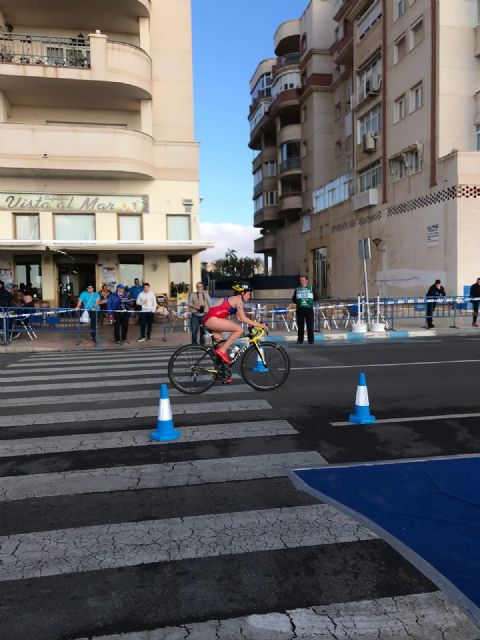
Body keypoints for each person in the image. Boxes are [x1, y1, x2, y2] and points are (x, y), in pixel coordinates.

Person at [202, 283, 267, 365]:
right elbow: (243, 318)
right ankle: (222, 351)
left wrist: (253, 323)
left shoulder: (234, 299)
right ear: (242, 293)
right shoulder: (238, 300)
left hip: (210, 319)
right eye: (249, 294)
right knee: (239, 329)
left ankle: (221, 374)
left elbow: (239, 318)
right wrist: (260, 325)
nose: (249, 296)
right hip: (212, 319)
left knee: (221, 348)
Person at [292, 275, 315, 344]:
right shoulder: (297, 289)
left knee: (310, 326)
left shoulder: (311, 288)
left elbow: (316, 297)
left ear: (307, 281)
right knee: (300, 326)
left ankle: (311, 340)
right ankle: (300, 340)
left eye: (303, 280)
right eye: (301, 280)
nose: (302, 281)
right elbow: (293, 299)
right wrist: (299, 302)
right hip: (300, 310)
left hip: (309, 309)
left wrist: (310, 301)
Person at [188, 281, 212, 345]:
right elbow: (189, 303)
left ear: (203, 287)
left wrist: (210, 313)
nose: (199, 288)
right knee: (194, 331)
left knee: (203, 331)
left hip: (204, 315)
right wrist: (196, 307)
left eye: (201, 286)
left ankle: (202, 344)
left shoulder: (206, 294)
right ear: (196, 287)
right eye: (198, 287)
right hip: (195, 315)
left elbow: (210, 304)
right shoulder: (192, 294)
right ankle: (194, 344)